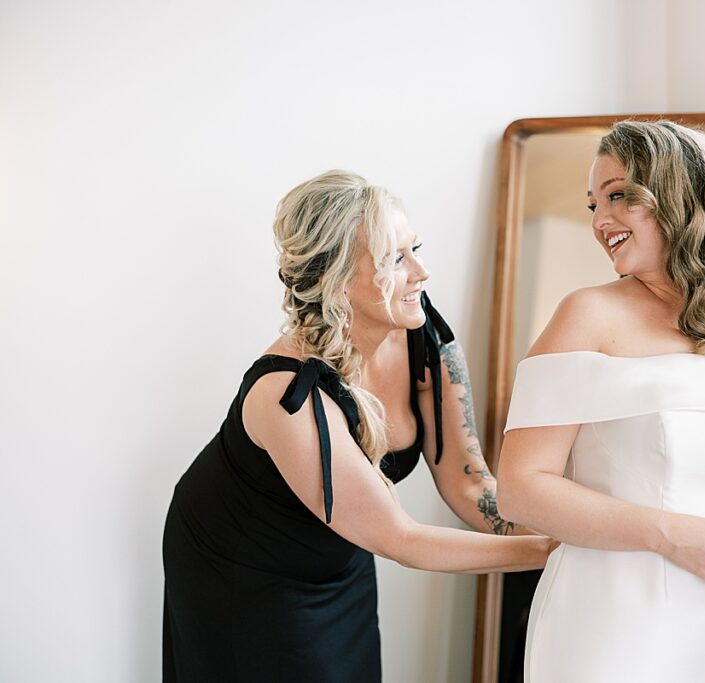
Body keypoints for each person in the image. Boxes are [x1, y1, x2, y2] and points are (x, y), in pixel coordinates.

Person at [162, 170, 551, 682]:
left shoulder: (420, 333)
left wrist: (563, 526)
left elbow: (468, 480)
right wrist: (554, 551)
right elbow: (401, 539)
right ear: (338, 280)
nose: (422, 272)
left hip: (339, 557)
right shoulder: (289, 394)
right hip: (244, 572)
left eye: (416, 248)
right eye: (396, 259)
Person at [495, 121, 705, 682]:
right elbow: (520, 489)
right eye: (594, 203)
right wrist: (668, 533)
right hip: (618, 620)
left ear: (680, 195)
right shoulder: (588, 314)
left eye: (620, 195)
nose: (601, 221)